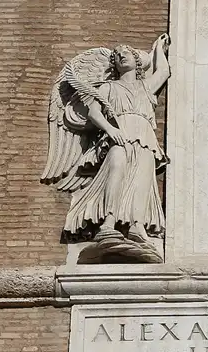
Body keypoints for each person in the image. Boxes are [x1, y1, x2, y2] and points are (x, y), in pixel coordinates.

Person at [63, 34, 170, 247]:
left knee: (142, 177)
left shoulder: (146, 87)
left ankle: (137, 225)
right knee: (117, 169)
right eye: (117, 56)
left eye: (126, 53)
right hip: (119, 133)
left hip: (145, 135)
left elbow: (164, 71)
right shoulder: (108, 87)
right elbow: (94, 113)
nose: (121, 56)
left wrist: (159, 48)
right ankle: (108, 223)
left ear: (136, 60)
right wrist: (111, 130)